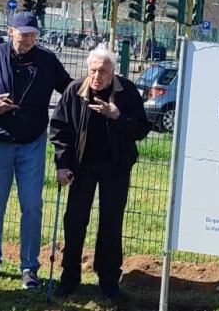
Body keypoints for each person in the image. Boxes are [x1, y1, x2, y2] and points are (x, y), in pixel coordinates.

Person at [0, 11, 72, 289]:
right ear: (10, 31)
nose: (27, 39)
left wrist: (97, 87)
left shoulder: (48, 60)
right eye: (22, 33)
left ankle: (30, 267)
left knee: (32, 205)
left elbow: (69, 88)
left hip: (32, 144)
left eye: (32, 34)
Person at [49, 47, 150, 301]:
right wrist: (62, 164)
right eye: (93, 70)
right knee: (74, 221)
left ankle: (108, 281)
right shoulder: (75, 90)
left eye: (103, 71)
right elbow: (59, 128)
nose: (97, 76)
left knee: (111, 222)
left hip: (115, 168)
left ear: (112, 72)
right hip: (81, 169)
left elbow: (141, 128)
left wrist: (118, 116)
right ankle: (69, 278)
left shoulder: (126, 92)